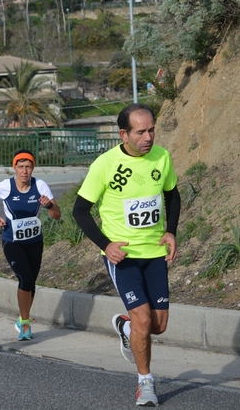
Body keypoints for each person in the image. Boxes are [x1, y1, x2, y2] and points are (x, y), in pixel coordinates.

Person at [72, 103, 180, 407]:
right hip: (124, 258)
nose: (148, 136)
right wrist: (106, 245)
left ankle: (126, 327)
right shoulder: (105, 164)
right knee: (144, 320)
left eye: (152, 129)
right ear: (124, 134)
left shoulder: (162, 157)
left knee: (159, 325)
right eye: (141, 131)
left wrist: (171, 231)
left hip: (155, 253)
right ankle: (145, 382)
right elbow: (80, 210)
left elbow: (172, 194)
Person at [0, 150, 61, 341]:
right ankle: (25, 323)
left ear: (32, 168)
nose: (24, 171)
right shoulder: (5, 186)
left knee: (31, 283)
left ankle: (22, 319)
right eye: (20, 167)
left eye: (28, 167)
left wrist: (49, 206)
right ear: (14, 168)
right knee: (25, 279)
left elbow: (57, 215)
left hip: (35, 241)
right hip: (12, 241)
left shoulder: (40, 185)